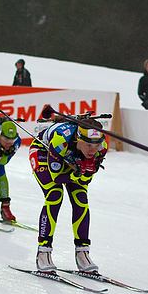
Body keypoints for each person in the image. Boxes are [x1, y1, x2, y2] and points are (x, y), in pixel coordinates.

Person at [29, 115, 107, 273]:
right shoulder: (60, 140)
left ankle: (83, 253)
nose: (93, 150)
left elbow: (85, 181)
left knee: (81, 199)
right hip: (44, 152)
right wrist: (77, 172)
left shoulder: (101, 147)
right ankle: (43, 252)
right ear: (78, 139)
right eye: (88, 145)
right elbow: (56, 177)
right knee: (54, 195)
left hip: (72, 159)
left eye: (96, 145)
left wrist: (81, 171)